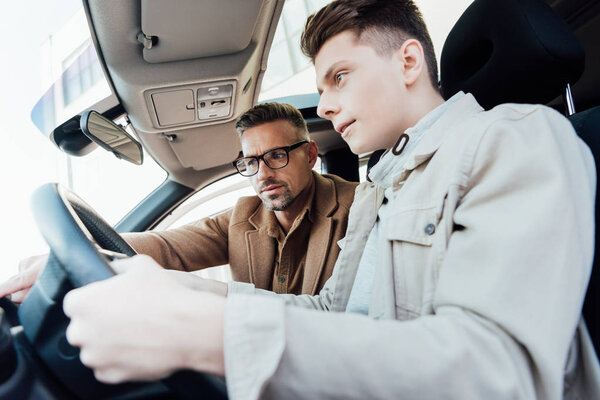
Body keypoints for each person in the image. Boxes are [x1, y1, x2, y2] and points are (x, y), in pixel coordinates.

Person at [40, 0, 600, 398]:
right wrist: (157, 286)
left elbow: (505, 376)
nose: (327, 106)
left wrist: (212, 337)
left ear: (408, 62)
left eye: (340, 77)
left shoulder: (517, 138)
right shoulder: (381, 186)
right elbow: (334, 311)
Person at [0, 102, 357, 301]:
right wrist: (74, 256)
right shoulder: (243, 216)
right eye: (251, 162)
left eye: (277, 155)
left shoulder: (359, 208)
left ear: (310, 154)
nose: (262, 174)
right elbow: (166, 247)